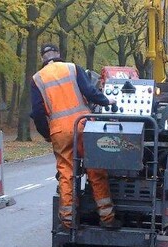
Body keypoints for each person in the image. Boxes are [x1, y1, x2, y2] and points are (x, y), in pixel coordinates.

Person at [30, 43, 120, 230]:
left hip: (60, 132)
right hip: (83, 124)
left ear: (42, 59)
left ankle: (69, 221)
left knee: (66, 174)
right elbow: (90, 92)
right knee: (95, 169)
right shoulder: (72, 68)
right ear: (59, 54)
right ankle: (107, 217)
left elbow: (38, 113)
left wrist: (47, 134)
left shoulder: (37, 79)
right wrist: (106, 100)